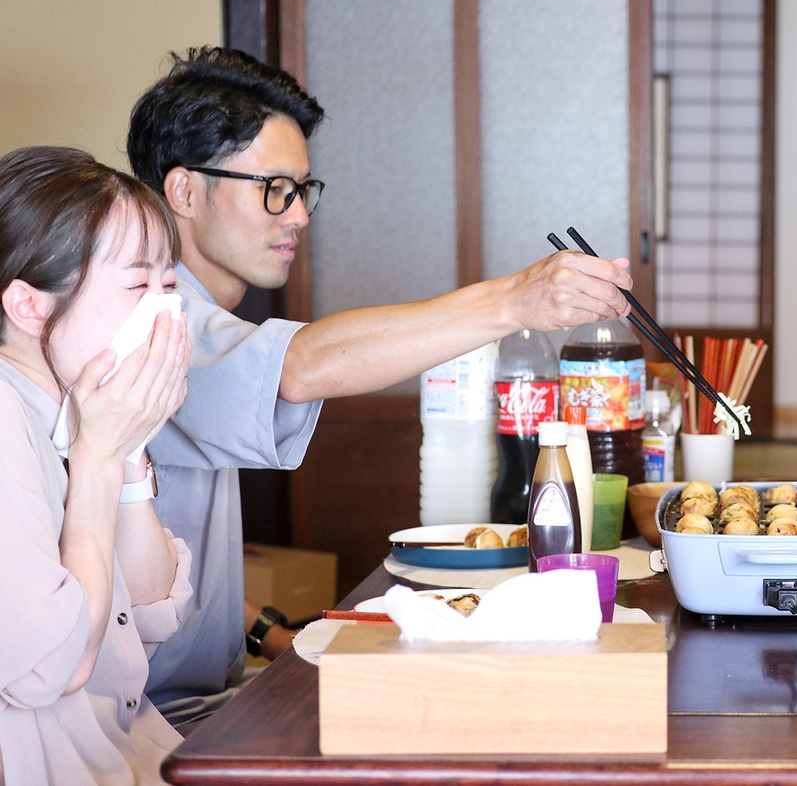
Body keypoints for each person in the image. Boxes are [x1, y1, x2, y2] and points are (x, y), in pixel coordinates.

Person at [125, 46, 634, 732]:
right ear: (186, 191)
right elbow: (302, 366)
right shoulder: (149, 320)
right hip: (149, 724)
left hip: (217, 695)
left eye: (304, 189)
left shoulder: (196, 314)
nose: (299, 215)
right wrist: (515, 300)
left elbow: (177, 562)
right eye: (274, 188)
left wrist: (286, 640)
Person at [0, 146, 194, 784]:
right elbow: (55, 665)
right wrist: (100, 459)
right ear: (30, 306)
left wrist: (127, 448)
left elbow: (148, 612)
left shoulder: (81, 404)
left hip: (130, 753)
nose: (167, 311)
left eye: (169, 286)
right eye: (139, 286)